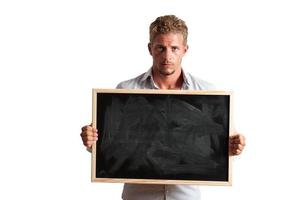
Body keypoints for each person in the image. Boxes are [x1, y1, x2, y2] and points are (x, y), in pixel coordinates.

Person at [80, 15, 246, 200]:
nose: (167, 56)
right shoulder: (126, 91)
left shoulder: (207, 93)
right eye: (160, 48)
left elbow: (220, 146)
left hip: (184, 196)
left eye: (174, 48)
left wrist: (234, 147)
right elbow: (109, 146)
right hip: (139, 196)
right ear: (150, 49)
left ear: (185, 49)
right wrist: (92, 141)